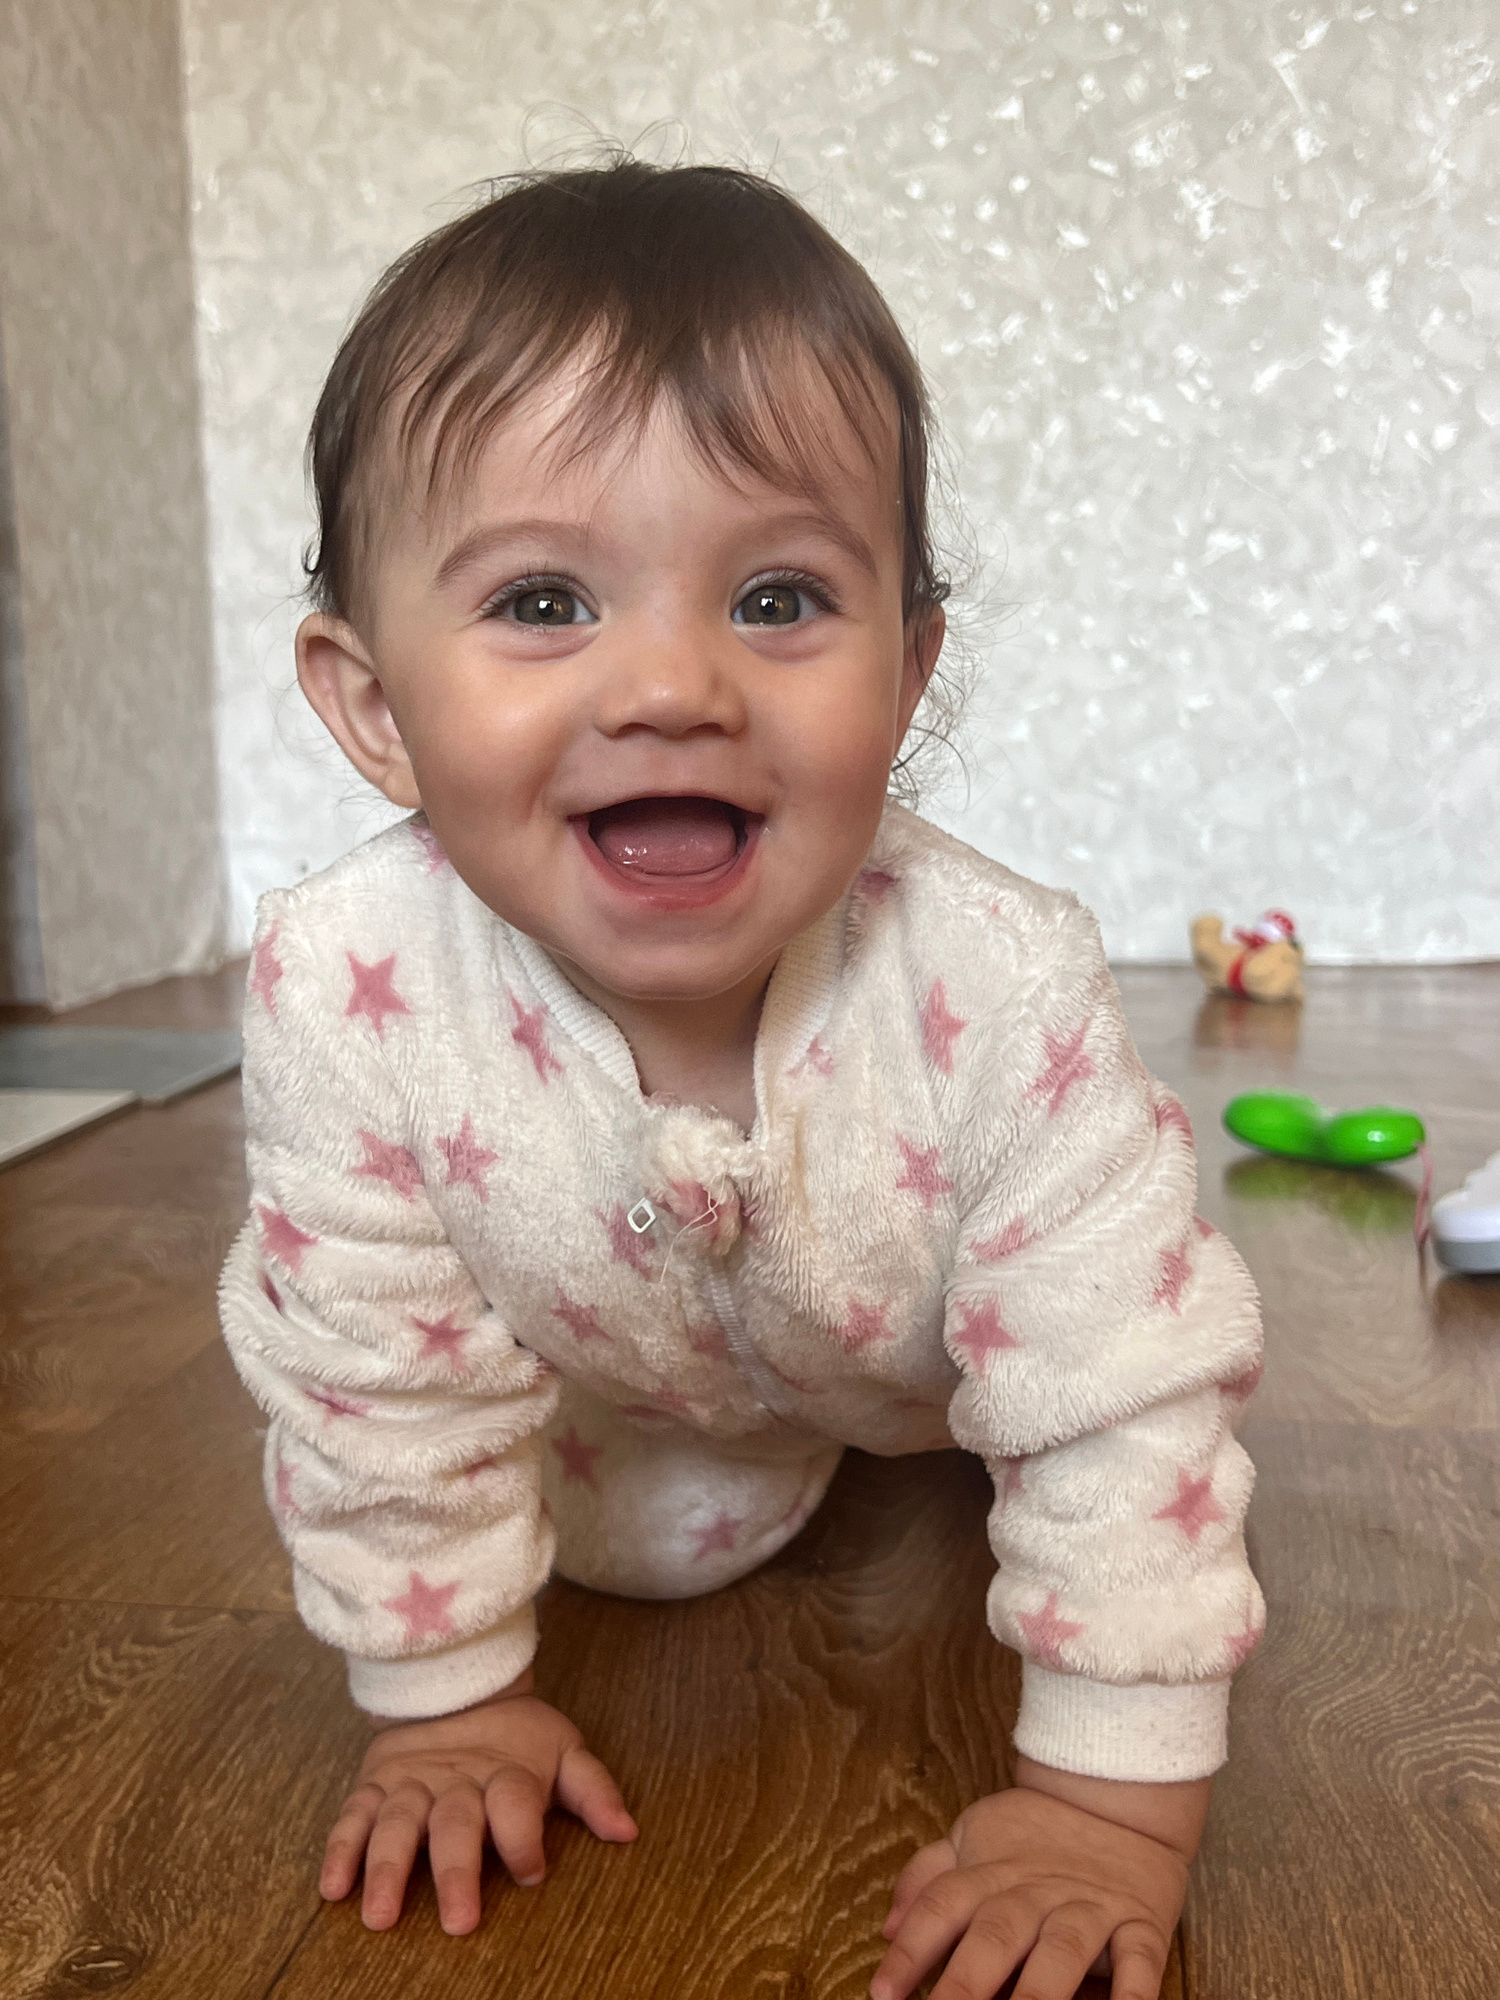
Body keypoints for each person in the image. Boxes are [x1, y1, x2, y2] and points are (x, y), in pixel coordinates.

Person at [219, 159, 1264, 2000]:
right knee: (630, 1547)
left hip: (926, 1372)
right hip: (635, 1390)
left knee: (1059, 1431)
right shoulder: (350, 990)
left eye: (778, 597)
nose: (672, 685)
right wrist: (443, 1703)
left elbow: (1124, 1395)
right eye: (544, 600)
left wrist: (1110, 1808)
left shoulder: (997, 985)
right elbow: (376, 1374)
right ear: (374, 704)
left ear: (908, 670)